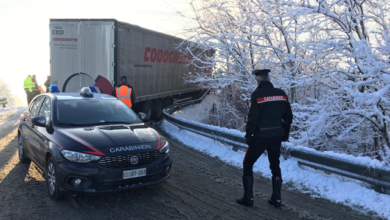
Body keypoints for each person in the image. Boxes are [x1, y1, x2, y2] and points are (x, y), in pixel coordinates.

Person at [236, 69, 293, 209]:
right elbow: (288, 117)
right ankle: (277, 199)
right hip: (277, 135)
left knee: (248, 162)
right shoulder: (281, 94)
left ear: (258, 81)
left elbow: (253, 118)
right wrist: (285, 133)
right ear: (268, 79)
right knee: (275, 165)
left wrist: (249, 135)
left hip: (261, 135)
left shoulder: (257, 95)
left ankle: (248, 197)